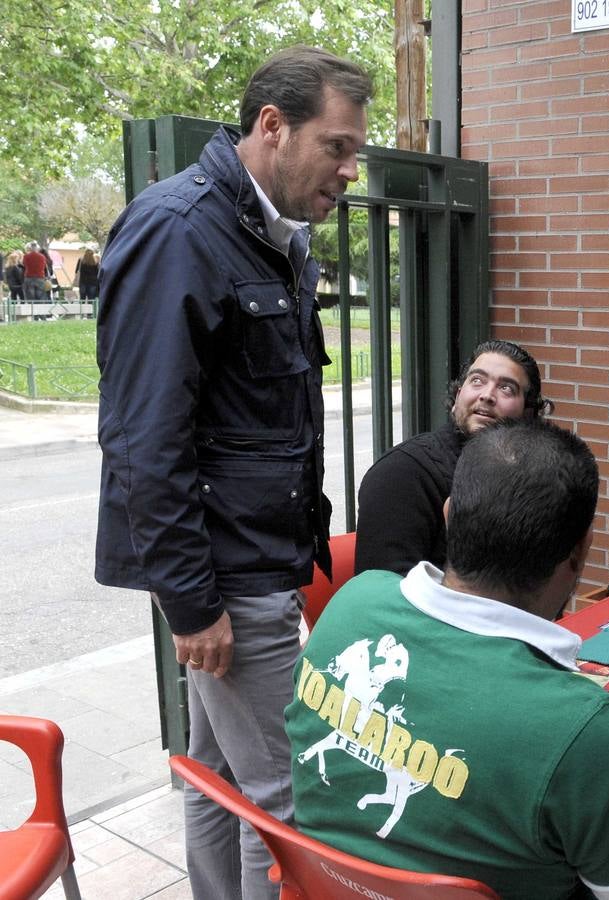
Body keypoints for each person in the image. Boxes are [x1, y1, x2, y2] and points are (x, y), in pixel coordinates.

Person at [94, 47, 372, 900]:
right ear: (272, 127)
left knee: (217, 778)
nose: (348, 171)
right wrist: (193, 600)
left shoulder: (274, 235)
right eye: (336, 146)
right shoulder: (180, 228)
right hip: (228, 577)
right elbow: (143, 438)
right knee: (289, 799)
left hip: (257, 564)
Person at [287, 419, 609, 899]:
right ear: (580, 551)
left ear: (449, 516)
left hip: (333, 886)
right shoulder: (583, 727)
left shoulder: (353, 600)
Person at [353, 339, 552, 576]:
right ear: (458, 396)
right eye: (477, 380)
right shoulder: (403, 473)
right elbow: (384, 596)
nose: (487, 395)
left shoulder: (528, 476)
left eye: (506, 388)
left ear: (528, 413)